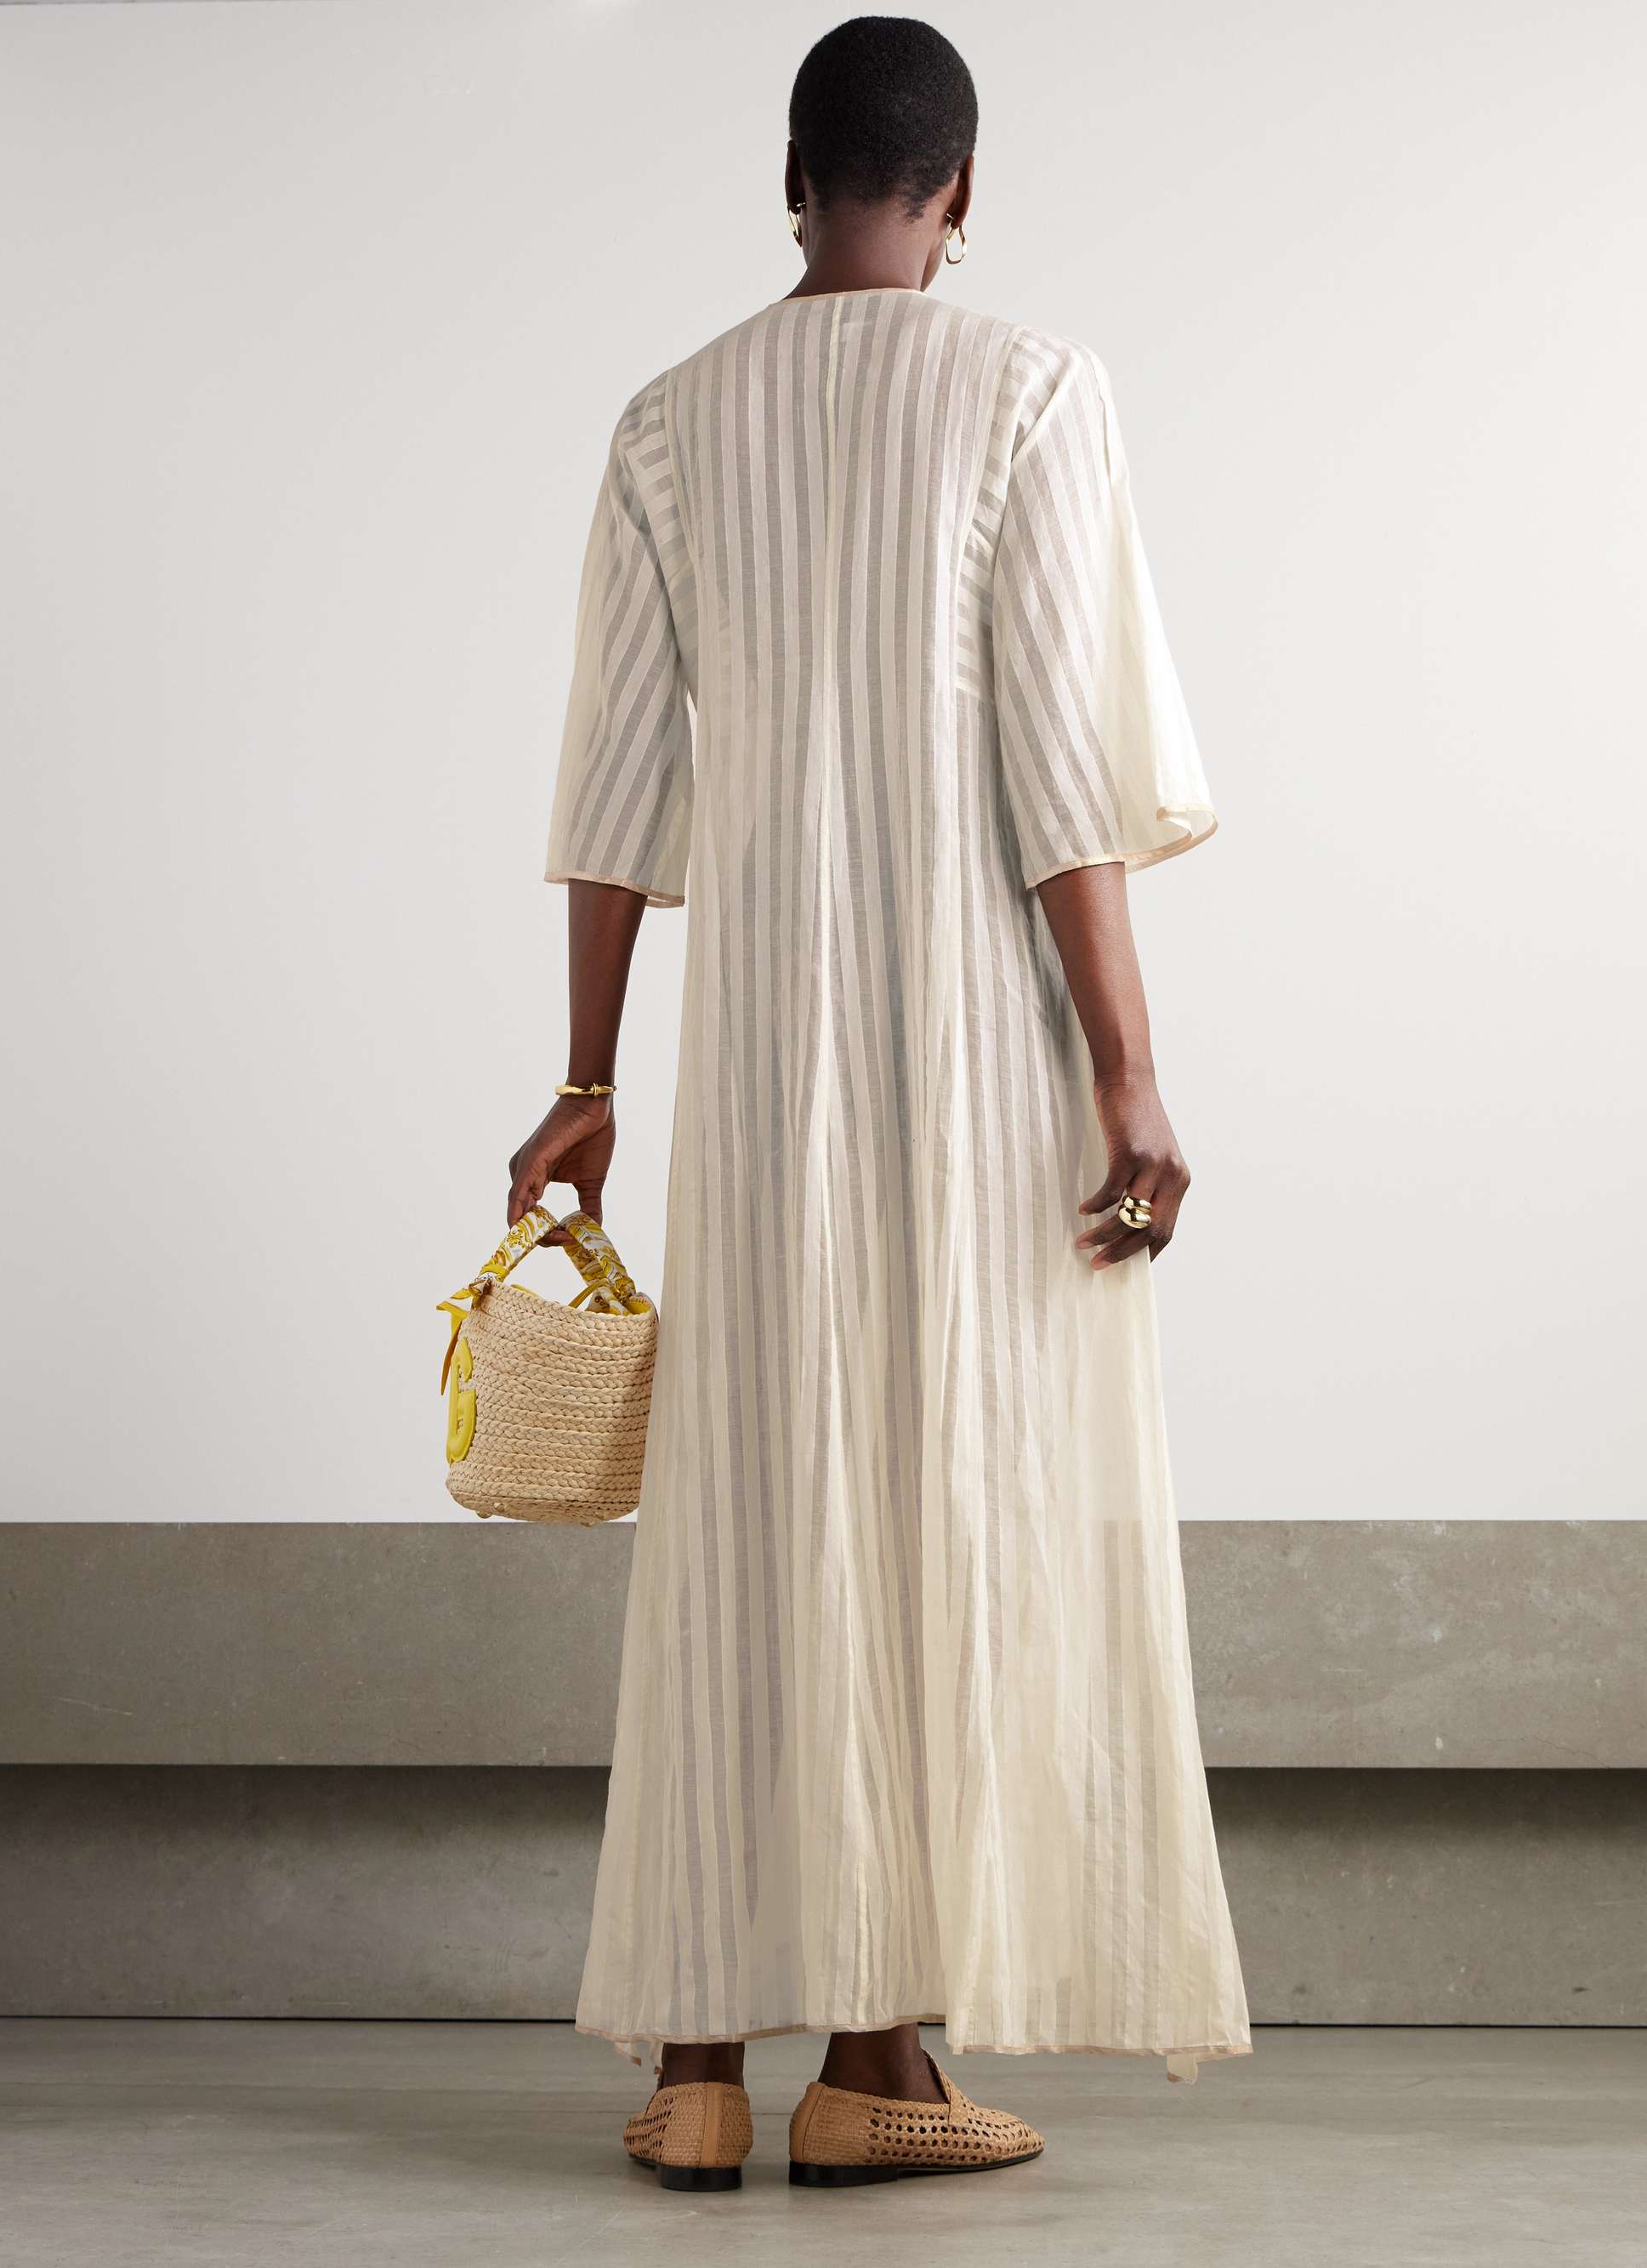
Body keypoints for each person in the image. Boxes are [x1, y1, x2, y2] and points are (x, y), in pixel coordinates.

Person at [506, 13, 1250, 2193]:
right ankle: (867, 2056)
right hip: (959, 1049)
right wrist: (1128, 1070)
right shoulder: (1027, 388)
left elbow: (614, 790)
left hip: (752, 1059)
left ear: (793, 179)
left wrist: (584, 1082)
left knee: (747, 1509)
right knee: (933, 1506)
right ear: (962, 190)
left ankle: (698, 2064)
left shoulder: (671, 419)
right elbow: (1064, 769)